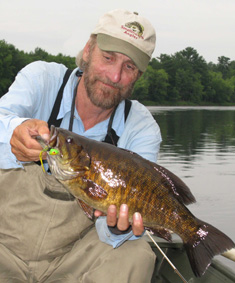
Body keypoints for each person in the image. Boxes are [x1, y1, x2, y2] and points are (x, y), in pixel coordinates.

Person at [0, 9, 162, 283]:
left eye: (129, 67)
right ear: (87, 50)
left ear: (139, 75)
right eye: (108, 57)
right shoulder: (41, 79)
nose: (114, 75)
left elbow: (117, 227)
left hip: (73, 260)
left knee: (137, 254)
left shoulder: (142, 128)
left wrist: (118, 227)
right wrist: (13, 132)